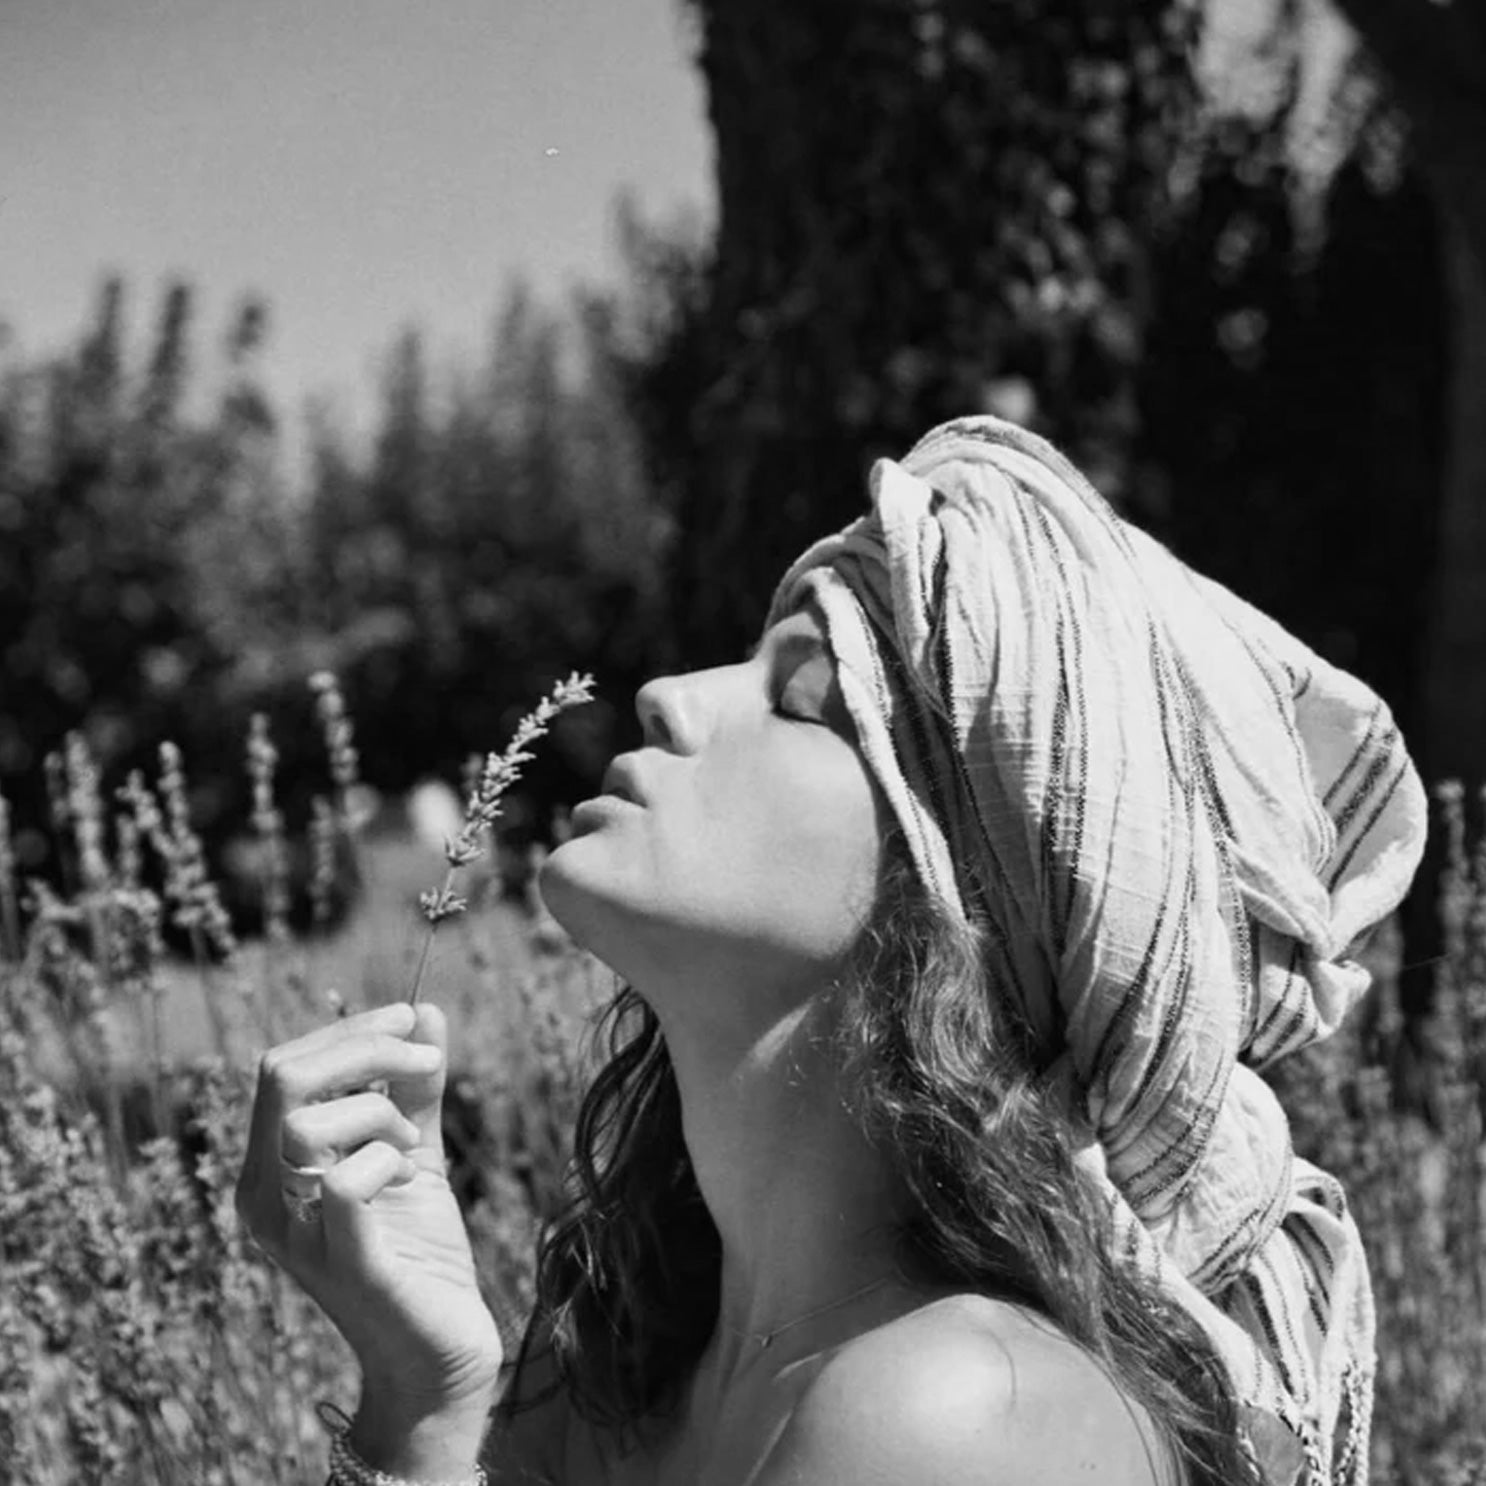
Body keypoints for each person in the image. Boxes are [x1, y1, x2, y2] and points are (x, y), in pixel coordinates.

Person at [237, 416, 1426, 1486]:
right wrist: (422, 1397)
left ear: (963, 893)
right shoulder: (608, 1364)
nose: (667, 694)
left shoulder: (960, 1413)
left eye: (805, 700)